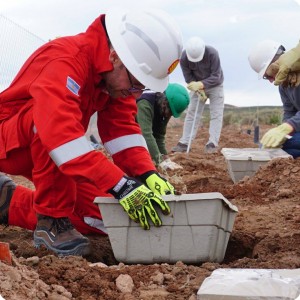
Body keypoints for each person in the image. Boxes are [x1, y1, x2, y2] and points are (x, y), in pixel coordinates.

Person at [0, 7, 183, 256]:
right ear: (116, 57)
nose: (137, 95)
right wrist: (120, 185)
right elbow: (60, 135)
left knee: (104, 217)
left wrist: (145, 173)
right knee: (48, 122)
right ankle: (52, 220)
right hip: (11, 142)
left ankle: (7, 203)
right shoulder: (65, 60)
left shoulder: (114, 79)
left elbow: (122, 129)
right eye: (136, 84)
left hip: (52, 152)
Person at [171, 36, 224, 154]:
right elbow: (188, 77)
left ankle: (212, 143)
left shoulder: (212, 53)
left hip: (215, 86)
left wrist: (202, 84)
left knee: (216, 114)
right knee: (192, 113)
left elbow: (217, 76)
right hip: (197, 87)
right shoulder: (184, 57)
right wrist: (198, 89)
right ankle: (184, 142)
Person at [248, 39, 300, 158]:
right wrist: (283, 131)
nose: (271, 81)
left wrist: (288, 127)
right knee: (270, 146)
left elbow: (292, 122)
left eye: (268, 75)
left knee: (287, 144)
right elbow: (289, 112)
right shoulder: (283, 85)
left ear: (275, 63)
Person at [136, 83, 189, 170]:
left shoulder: (165, 108)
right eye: (170, 112)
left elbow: (159, 136)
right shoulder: (144, 103)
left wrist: (166, 159)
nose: (169, 115)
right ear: (164, 103)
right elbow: (146, 134)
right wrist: (160, 161)